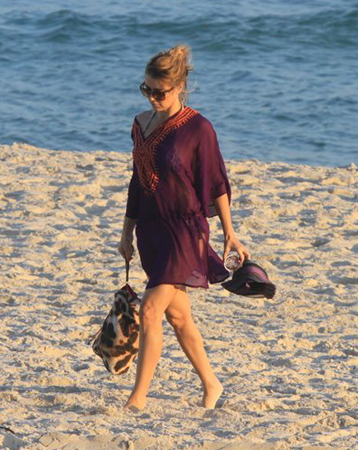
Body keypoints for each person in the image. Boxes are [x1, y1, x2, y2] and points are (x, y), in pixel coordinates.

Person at [118, 44, 250, 411]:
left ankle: (137, 399)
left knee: (150, 311)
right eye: (146, 90)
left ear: (179, 88)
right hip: (151, 230)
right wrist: (126, 232)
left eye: (159, 92)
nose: (152, 97)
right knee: (178, 316)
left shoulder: (198, 129)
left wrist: (230, 233)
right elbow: (137, 180)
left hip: (185, 230)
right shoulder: (140, 124)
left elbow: (217, 183)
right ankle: (212, 384)